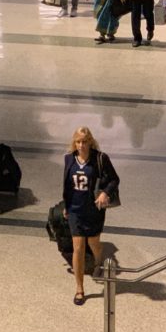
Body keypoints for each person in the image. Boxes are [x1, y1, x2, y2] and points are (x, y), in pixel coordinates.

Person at [62, 127, 119, 305]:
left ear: (90, 142)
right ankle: (79, 288)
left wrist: (105, 193)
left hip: (94, 209)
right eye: (78, 142)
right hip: (75, 210)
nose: (81, 145)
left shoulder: (100, 158)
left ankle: (98, 261)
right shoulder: (69, 159)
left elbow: (114, 179)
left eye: (85, 142)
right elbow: (66, 184)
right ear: (74, 143)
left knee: (94, 242)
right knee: (77, 247)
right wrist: (66, 205)